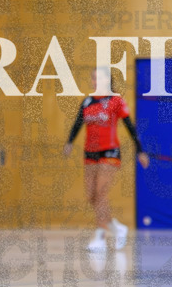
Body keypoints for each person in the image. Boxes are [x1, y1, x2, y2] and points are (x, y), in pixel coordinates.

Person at [63, 68, 150, 252]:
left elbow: (129, 126)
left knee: (101, 193)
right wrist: (70, 142)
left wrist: (140, 151)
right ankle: (117, 228)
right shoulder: (87, 101)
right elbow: (78, 123)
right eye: (93, 77)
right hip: (90, 153)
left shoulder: (116, 101)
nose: (95, 81)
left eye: (99, 78)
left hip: (109, 152)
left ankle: (101, 237)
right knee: (92, 196)